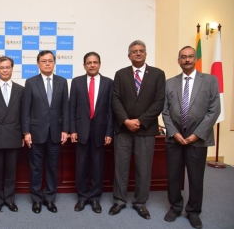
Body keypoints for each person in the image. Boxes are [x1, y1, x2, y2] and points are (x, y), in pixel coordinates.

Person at [162, 46, 220, 229]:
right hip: (175, 138)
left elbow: (214, 110)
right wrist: (175, 133)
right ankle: (175, 207)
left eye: (190, 57)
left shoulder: (210, 81)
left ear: (196, 59)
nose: (187, 60)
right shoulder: (169, 83)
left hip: (198, 139)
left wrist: (196, 135)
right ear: (178, 60)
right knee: (173, 175)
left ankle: (194, 212)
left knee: (196, 177)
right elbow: (165, 112)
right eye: (183, 57)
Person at [109, 40, 165, 220]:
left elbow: (159, 102)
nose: (138, 54)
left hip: (146, 130)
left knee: (144, 167)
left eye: (141, 51)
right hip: (123, 129)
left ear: (146, 54)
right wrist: (126, 120)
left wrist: (140, 121)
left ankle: (140, 202)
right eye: (134, 51)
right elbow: (115, 99)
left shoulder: (157, 74)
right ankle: (119, 200)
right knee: (121, 167)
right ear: (129, 56)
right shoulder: (120, 74)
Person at [21, 50, 69, 214]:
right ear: (38, 64)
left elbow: (65, 108)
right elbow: (25, 109)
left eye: (50, 61)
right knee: (35, 168)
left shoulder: (62, 82)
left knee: (52, 167)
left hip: (56, 132)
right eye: (44, 61)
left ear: (54, 63)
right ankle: (36, 199)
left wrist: (66, 130)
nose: (47, 63)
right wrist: (26, 132)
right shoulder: (30, 82)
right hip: (35, 133)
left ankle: (49, 198)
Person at [69, 52, 113, 214]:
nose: (92, 65)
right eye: (89, 62)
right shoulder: (77, 82)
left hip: (100, 132)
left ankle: (94, 198)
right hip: (81, 131)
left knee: (97, 166)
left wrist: (109, 132)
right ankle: (82, 197)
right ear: (84, 65)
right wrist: (72, 130)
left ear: (99, 64)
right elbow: (71, 107)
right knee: (81, 165)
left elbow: (111, 110)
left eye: (95, 62)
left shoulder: (109, 83)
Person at [0, 56, 24, 214]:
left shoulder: (21, 90)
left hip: (14, 135)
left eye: (8, 67)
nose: (5, 70)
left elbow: (23, 114)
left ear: (12, 68)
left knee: (11, 171)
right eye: (2, 67)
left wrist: (23, 135)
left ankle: (9, 199)